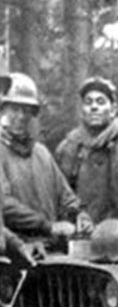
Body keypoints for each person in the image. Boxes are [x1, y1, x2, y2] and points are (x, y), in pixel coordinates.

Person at [0, 73, 80, 238]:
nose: (21, 116)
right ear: (3, 110)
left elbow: (67, 198)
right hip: (12, 252)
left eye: (26, 110)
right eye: (15, 109)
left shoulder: (41, 153)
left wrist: (79, 215)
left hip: (50, 249)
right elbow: (4, 205)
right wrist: (47, 226)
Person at [54, 77, 118, 223]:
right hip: (82, 233)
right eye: (88, 102)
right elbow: (59, 196)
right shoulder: (68, 148)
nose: (94, 107)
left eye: (101, 102)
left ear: (113, 110)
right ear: (82, 111)